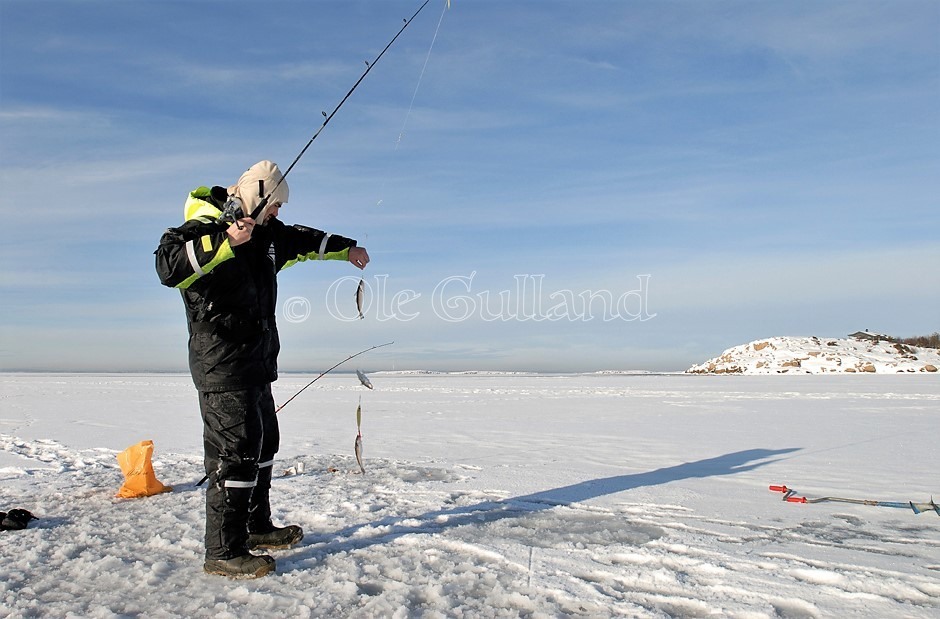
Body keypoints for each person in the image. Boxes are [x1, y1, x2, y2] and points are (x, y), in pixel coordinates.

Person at [155, 161, 369, 578]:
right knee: (234, 455)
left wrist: (348, 249)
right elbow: (168, 268)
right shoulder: (197, 231)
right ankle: (223, 550)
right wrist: (225, 240)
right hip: (222, 365)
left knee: (263, 444)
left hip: (257, 364)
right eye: (274, 205)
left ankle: (256, 527)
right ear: (257, 195)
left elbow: (305, 239)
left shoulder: (268, 235)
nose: (277, 214)